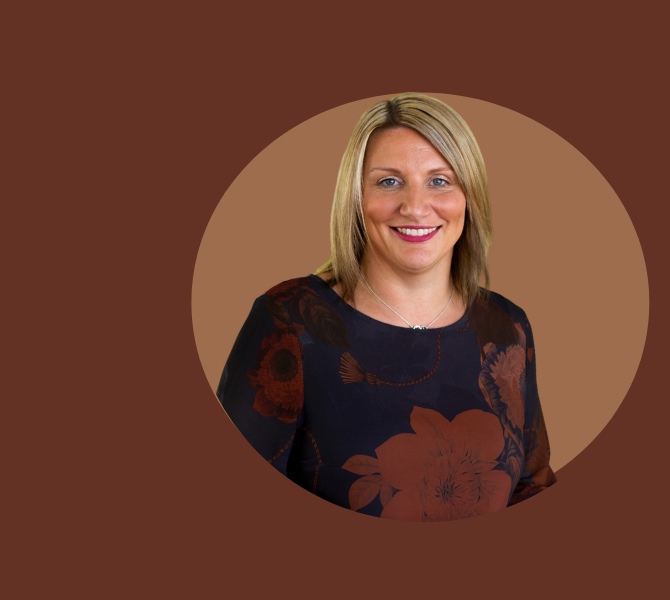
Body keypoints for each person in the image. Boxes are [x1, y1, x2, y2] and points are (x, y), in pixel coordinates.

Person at [216, 92, 556, 521]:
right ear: (356, 198)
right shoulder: (290, 320)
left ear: (469, 197)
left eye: (440, 180)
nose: (415, 207)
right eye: (389, 181)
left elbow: (532, 484)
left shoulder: (507, 326)